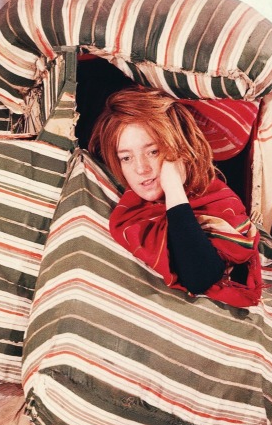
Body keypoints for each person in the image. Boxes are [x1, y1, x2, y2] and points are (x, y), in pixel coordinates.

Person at [89, 86, 262, 307]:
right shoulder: (129, 215)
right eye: (126, 158)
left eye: (153, 152)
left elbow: (201, 276)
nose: (141, 168)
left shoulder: (217, 199)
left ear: (178, 150)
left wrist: (173, 189)